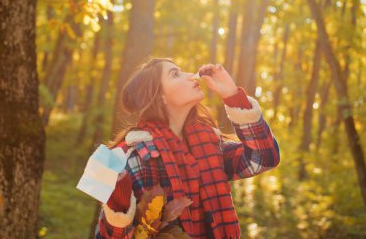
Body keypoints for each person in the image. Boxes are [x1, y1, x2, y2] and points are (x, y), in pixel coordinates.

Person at [95, 57, 280, 239]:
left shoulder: (208, 144)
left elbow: (264, 158)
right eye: (175, 74)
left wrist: (232, 95)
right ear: (160, 96)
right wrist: (118, 201)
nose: (192, 76)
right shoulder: (127, 156)